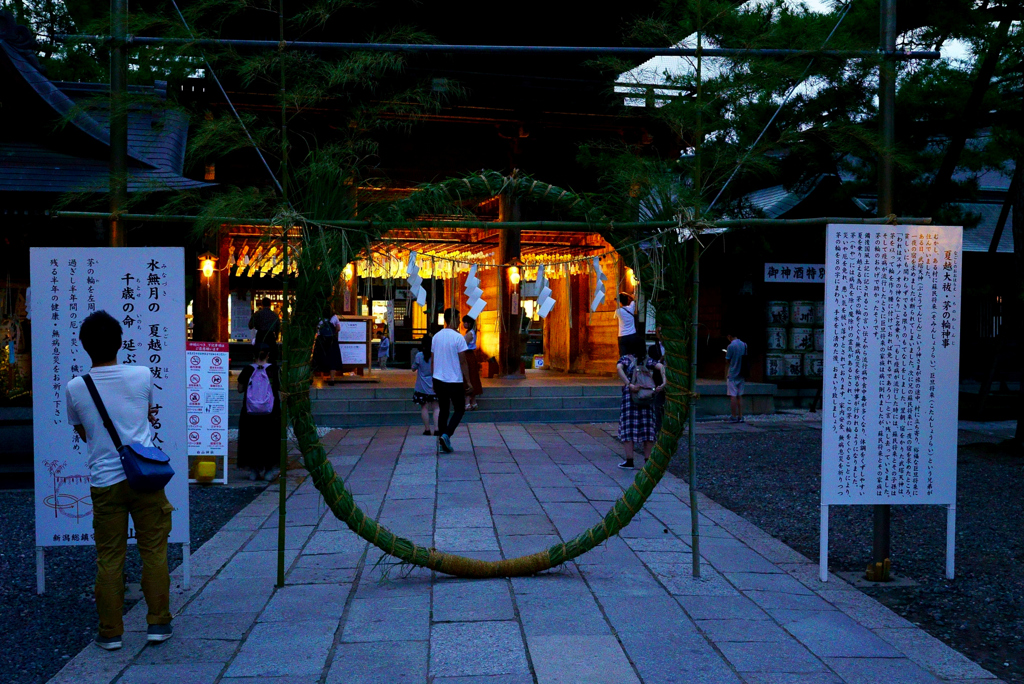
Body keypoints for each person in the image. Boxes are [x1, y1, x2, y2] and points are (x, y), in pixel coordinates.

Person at [65, 311, 173, 650]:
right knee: (154, 551)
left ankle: (110, 632)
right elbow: (146, 415)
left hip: (105, 481)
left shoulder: (75, 387)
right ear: (121, 342)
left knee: (110, 558)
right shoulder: (142, 375)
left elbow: (83, 431)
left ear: (84, 346)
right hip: (146, 478)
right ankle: (158, 624)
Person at [615, 346, 666, 469]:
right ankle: (648, 460)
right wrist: (663, 382)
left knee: (628, 428)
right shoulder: (648, 361)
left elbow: (619, 368)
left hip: (630, 397)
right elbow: (661, 366)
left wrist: (629, 384)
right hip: (646, 397)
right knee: (648, 429)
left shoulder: (626, 359)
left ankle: (629, 461)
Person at [237, 345, 282, 480]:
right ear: (268, 355)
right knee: (270, 439)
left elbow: (240, 389)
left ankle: (254, 470)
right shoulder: (274, 370)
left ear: (254, 355)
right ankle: (269, 470)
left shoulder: (248, 370)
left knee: (251, 439)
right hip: (271, 413)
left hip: (250, 413)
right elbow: (280, 387)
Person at [431, 307, 472, 454]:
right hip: (454, 379)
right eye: (458, 318)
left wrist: (433, 378)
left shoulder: (436, 337)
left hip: (439, 378)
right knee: (459, 409)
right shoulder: (458, 338)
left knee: (444, 409)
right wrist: (468, 381)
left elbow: (433, 360)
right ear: (453, 319)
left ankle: (443, 438)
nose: (459, 322)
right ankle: (446, 434)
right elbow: (463, 362)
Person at [410, 334, 440, 435]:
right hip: (434, 385)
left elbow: (413, 368)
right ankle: (437, 429)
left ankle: (427, 429)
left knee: (424, 407)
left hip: (421, 387)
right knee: (436, 407)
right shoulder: (435, 355)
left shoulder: (419, 355)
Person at [314, 306, 342, 385]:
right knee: (332, 359)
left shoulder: (320, 317)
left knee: (318, 358)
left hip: (321, 340)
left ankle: (311, 377)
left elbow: (317, 329)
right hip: (332, 340)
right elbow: (338, 328)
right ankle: (332, 379)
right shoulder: (334, 317)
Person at [725, 331, 748, 423]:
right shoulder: (744, 345)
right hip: (742, 373)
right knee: (740, 395)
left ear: (729, 336)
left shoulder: (730, 346)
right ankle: (741, 416)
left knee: (733, 395)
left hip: (733, 373)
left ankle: (734, 416)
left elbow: (727, 360)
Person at [462, 315, 482, 410]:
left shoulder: (470, 333)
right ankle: (473, 401)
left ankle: (467, 401)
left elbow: (462, 344)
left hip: (468, 355)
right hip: (469, 355)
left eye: (466, 322)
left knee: (469, 377)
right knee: (471, 376)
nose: (464, 324)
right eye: (464, 322)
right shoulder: (471, 332)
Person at [648, 343, 667, 434]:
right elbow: (654, 364)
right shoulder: (653, 348)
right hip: (658, 380)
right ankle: (659, 427)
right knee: (658, 405)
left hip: (670, 379)